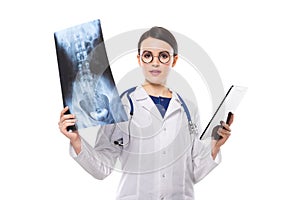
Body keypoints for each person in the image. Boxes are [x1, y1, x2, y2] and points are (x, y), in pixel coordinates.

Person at [58, 26, 232, 200]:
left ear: (174, 60)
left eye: (163, 56)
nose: (155, 63)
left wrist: (215, 145)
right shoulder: (122, 105)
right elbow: (102, 167)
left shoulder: (188, 107)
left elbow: (193, 172)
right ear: (139, 59)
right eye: (148, 55)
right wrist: (77, 141)